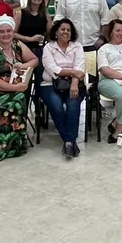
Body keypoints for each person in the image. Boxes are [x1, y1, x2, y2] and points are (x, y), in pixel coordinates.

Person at [0, 15, 38, 163]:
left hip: (14, 89)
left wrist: (22, 66)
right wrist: (14, 87)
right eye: (2, 32)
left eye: (8, 31)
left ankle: (14, 146)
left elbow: (34, 59)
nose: (6, 34)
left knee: (19, 99)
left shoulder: (17, 45)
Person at [40, 18, 87, 158]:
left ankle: (68, 142)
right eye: (63, 29)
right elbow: (53, 69)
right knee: (57, 106)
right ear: (56, 32)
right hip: (50, 84)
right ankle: (70, 140)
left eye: (68, 30)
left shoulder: (77, 46)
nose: (65, 32)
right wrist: (73, 72)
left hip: (74, 84)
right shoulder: (48, 47)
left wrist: (74, 84)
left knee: (73, 105)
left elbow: (79, 67)